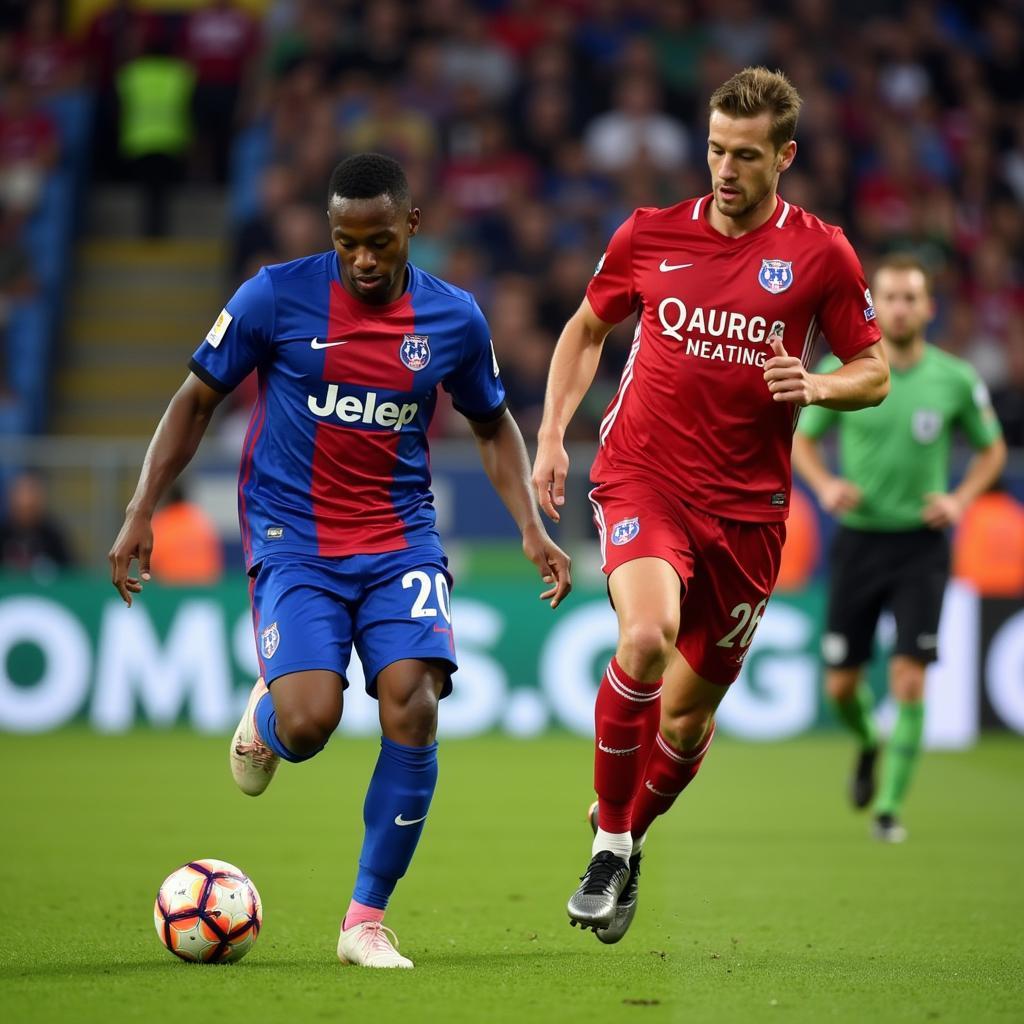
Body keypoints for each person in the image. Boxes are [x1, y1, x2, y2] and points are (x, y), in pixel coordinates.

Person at [109, 153, 571, 969]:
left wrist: (529, 528)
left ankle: (365, 921)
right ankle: (268, 720)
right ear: (332, 232)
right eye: (348, 241)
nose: (363, 258)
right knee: (310, 722)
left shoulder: (454, 320)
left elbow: (492, 423)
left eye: (380, 242)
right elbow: (195, 399)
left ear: (412, 231)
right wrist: (142, 506)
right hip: (294, 537)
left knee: (414, 704)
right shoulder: (274, 296)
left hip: (399, 539)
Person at [531, 66, 889, 944]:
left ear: (785, 156)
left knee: (686, 724)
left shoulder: (822, 254)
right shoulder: (650, 234)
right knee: (644, 639)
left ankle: (628, 838)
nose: (725, 171)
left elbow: (874, 371)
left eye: (746, 156)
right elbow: (586, 329)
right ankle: (609, 845)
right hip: (644, 476)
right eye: (716, 151)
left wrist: (817, 384)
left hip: (750, 512)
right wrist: (550, 436)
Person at [793, 254, 1006, 841]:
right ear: (874, 306)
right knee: (840, 685)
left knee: (910, 679)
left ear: (929, 308)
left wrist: (960, 500)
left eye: (912, 297)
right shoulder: (846, 370)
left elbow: (991, 450)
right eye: (889, 297)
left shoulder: (955, 379)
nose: (900, 307)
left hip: (921, 546)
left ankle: (888, 809)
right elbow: (802, 442)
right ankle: (868, 740)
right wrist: (827, 485)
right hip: (859, 541)